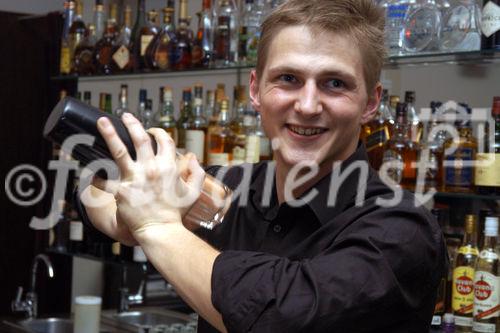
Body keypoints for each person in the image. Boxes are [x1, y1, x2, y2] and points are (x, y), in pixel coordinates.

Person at [83, 0, 447, 332]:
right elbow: (91, 186)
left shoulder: (402, 230)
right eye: (288, 79)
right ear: (255, 90)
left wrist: (156, 226)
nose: (307, 105)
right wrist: (124, 216)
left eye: (334, 84)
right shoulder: (228, 188)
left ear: (371, 102)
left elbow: (280, 317)